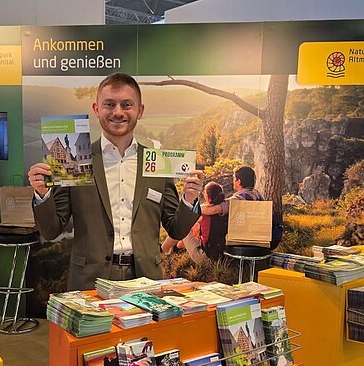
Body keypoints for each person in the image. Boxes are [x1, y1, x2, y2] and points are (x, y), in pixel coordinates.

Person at [28, 72, 203, 290]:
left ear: (140, 111)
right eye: (109, 104)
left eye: (126, 105)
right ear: (96, 109)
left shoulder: (157, 163)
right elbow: (51, 230)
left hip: (146, 280)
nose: (118, 112)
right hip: (89, 282)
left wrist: (189, 199)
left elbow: (176, 230)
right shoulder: (76, 161)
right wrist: (42, 194)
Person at [203, 165, 282, 249]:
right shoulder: (259, 196)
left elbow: (212, 210)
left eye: (234, 178)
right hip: (263, 241)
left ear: (239, 181)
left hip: (244, 242)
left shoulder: (239, 199)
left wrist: (197, 208)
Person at [162, 181, 228, 263]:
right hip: (221, 255)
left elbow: (187, 232)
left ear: (208, 197)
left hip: (205, 258)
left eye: (204, 193)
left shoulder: (203, 214)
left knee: (182, 228)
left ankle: (165, 251)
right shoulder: (225, 211)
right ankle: (173, 252)